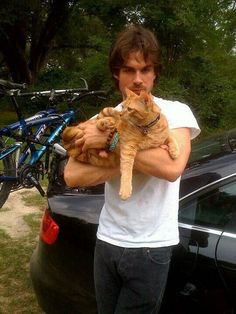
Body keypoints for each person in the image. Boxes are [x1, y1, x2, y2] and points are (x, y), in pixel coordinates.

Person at [64, 24, 200, 314]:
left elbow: (171, 167)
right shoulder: (105, 117)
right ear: (117, 73)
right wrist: (133, 152)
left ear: (155, 73)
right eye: (128, 70)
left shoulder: (176, 113)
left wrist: (111, 143)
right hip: (107, 239)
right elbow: (72, 174)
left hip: (151, 247)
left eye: (146, 70)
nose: (138, 79)